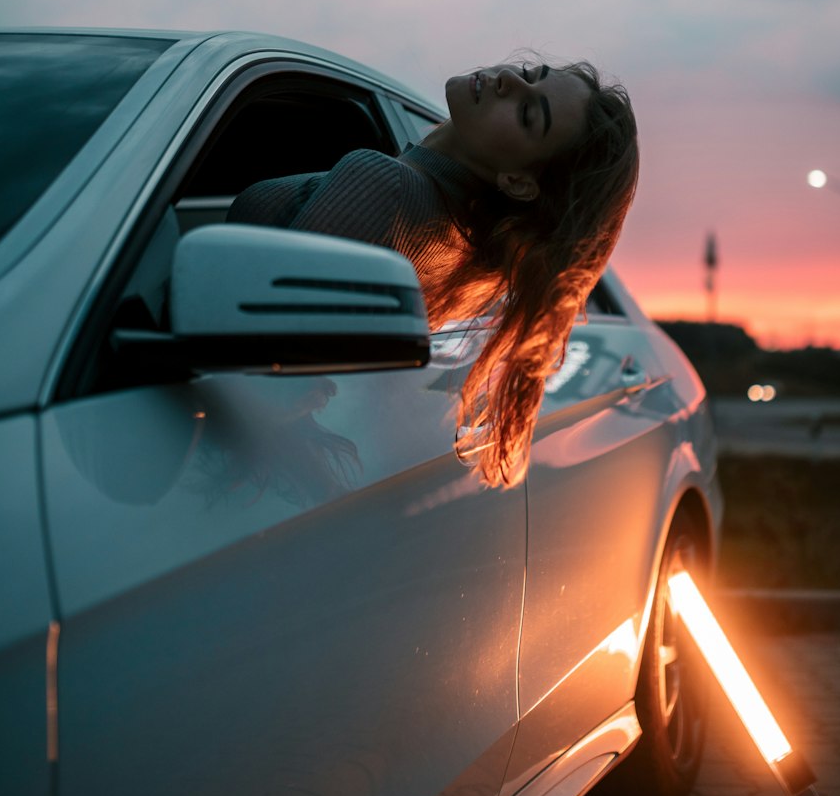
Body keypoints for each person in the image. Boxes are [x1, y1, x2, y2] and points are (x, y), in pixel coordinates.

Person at [228, 57, 638, 486]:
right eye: (529, 73)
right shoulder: (459, 250)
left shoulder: (384, 187)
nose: (508, 80)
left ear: (518, 181)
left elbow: (256, 356)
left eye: (526, 113)